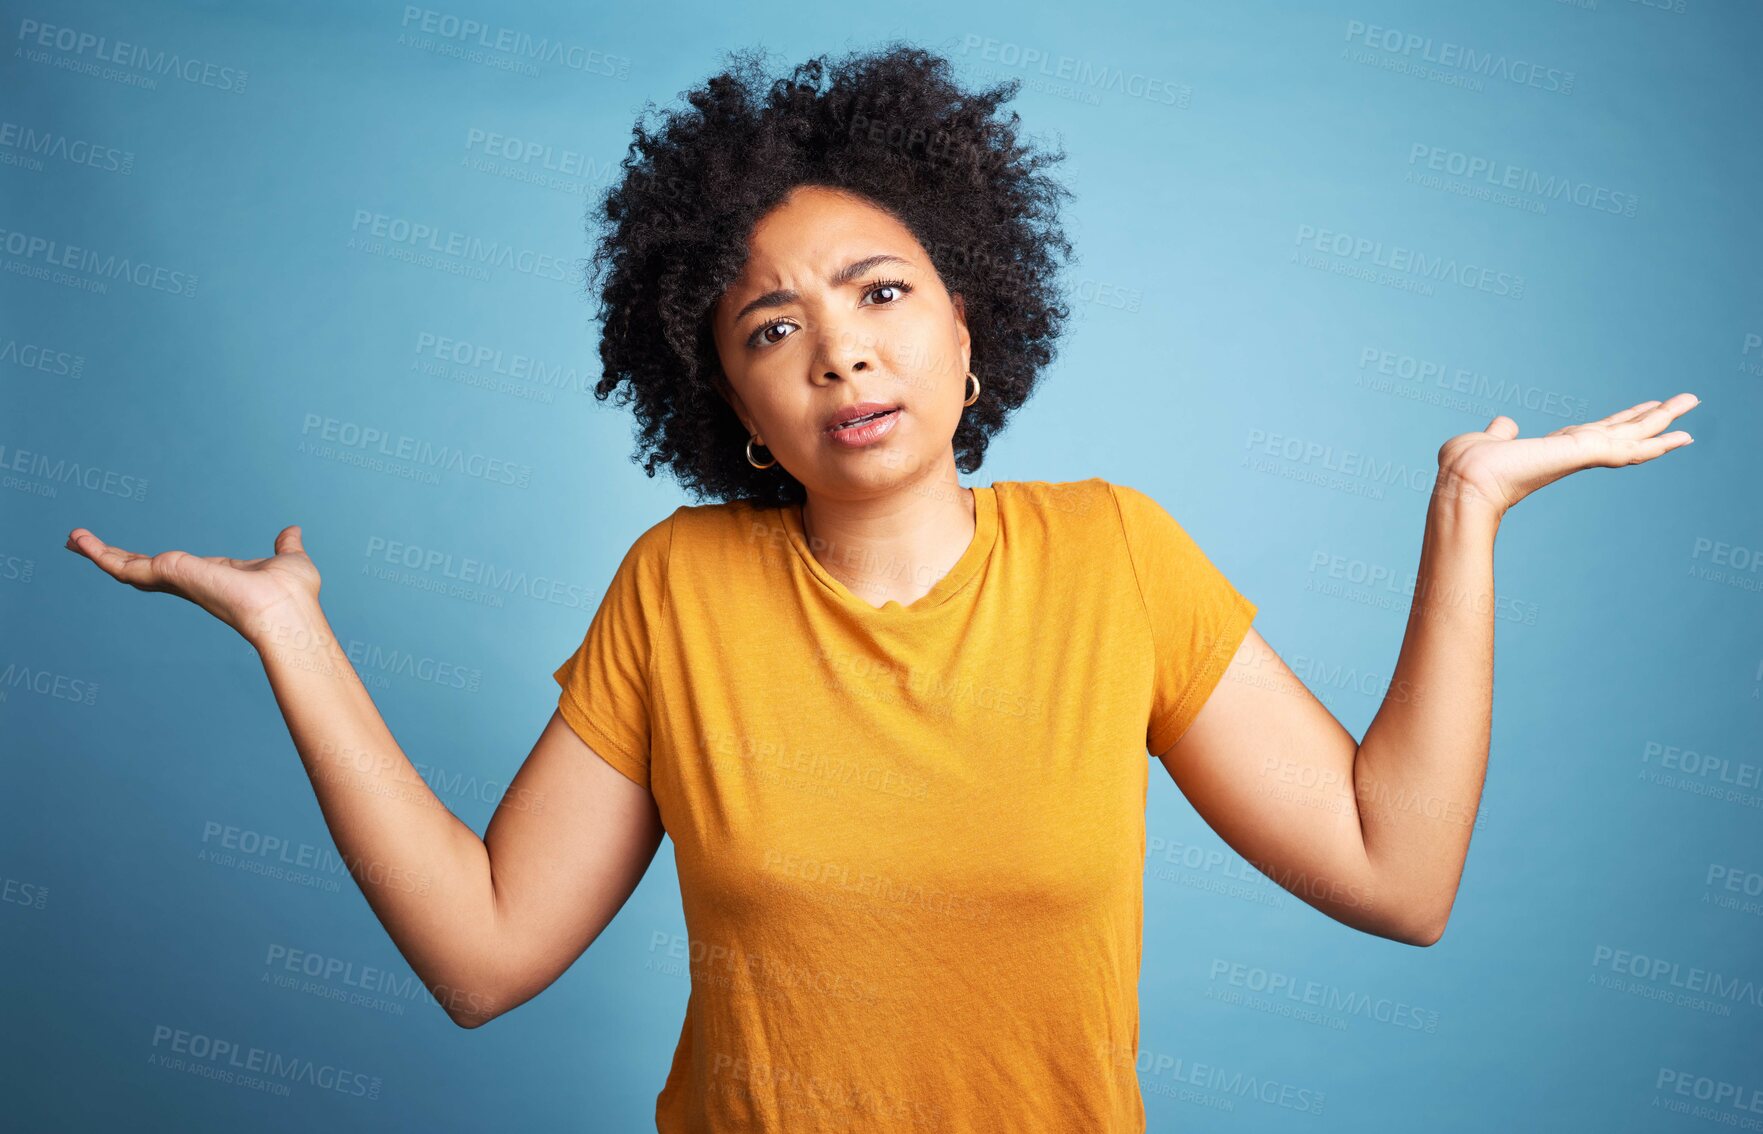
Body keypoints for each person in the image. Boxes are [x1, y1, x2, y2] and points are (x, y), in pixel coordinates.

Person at [65, 43, 1699, 1134]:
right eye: (771, 326)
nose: (839, 344)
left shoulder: (1116, 556)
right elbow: (486, 957)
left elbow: (1395, 871)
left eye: (879, 291)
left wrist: (1463, 513)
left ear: (971, 326)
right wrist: (294, 638)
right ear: (731, 406)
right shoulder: (679, 591)